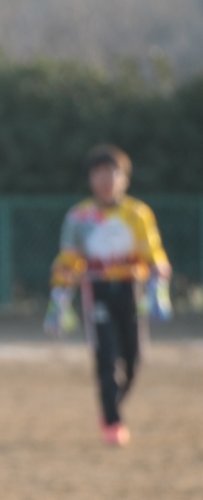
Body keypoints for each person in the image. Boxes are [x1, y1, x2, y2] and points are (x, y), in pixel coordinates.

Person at [45, 144, 172, 446]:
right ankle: (113, 421)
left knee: (133, 358)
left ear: (124, 178)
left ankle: (111, 407)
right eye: (98, 173)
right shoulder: (80, 217)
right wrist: (59, 299)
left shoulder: (138, 214)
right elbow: (68, 260)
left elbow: (153, 253)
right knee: (106, 356)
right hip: (97, 290)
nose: (105, 180)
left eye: (112, 173)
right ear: (90, 179)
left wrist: (159, 284)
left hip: (130, 289)